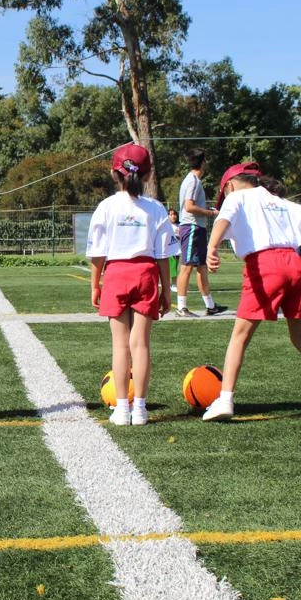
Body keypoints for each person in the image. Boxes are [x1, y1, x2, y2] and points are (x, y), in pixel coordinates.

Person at [201, 162, 301, 422]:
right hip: (294, 265)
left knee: (239, 337)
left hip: (264, 266)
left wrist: (211, 248)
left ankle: (225, 400)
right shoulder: (278, 201)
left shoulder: (236, 197)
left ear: (230, 185)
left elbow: (223, 219)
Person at [87, 143, 179, 426]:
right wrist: (166, 290)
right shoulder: (155, 208)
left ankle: (122, 408)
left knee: (120, 346)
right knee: (141, 345)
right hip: (146, 273)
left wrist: (95, 285)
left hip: (116, 273)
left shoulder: (106, 207)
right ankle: (140, 408)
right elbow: (163, 255)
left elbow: (97, 253)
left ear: (115, 173)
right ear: (149, 174)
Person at [176, 148, 227, 317]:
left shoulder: (194, 181)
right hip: (191, 227)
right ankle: (181, 307)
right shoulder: (193, 181)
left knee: (202, 267)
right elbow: (189, 207)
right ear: (202, 162)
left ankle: (210, 306)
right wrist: (210, 213)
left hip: (197, 228)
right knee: (186, 267)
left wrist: (206, 210)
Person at [167, 208, 180, 292]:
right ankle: (173, 284)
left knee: (174, 267)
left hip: (178, 250)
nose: (173, 216)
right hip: (170, 250)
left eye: (174, 214)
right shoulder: (166, 226)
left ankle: (171, 284)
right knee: (172, 267)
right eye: (171, 214)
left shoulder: (180, 225)